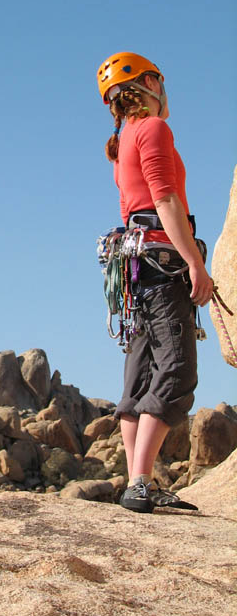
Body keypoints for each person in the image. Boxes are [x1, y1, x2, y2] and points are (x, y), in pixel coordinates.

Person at [97, 52, 213, 513]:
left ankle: (137, 480)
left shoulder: (124, 138)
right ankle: (140, 484)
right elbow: (165, 199)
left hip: (135, 267)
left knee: (142, 367)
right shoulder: (153, 129)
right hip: (162, 262)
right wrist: (194, 263)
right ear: (149, 83)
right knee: (177, 369)